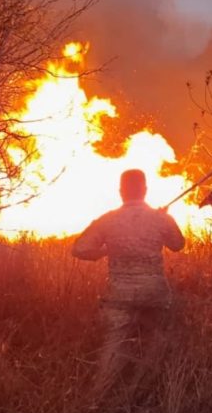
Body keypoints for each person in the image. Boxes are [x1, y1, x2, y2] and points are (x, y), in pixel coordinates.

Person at [72, 169, 186, 399]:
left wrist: (105, 250)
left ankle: (98, 399)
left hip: (119, 297)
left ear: (120, 192)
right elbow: (178, 244)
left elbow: (80, 249)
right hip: (155, 294)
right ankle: (145, 393)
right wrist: (164, 219)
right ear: (145, 190)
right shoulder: (160, 217)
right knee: (157, 341)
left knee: (114, 347)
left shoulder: (108, 219)